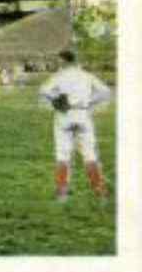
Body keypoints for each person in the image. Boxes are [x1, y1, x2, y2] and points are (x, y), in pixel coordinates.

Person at [39, 50, 112, 202]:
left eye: (59, 61)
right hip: (83, 114)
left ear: (64, 61)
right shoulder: (86, 75)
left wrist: (57, 99)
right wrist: (90, 101)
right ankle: (100, 192)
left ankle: (62, 194)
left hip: (65, 115)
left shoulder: (60, 76)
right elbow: (105, 91)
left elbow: (44, 90)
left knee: (62, 155)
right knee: (90, 154)